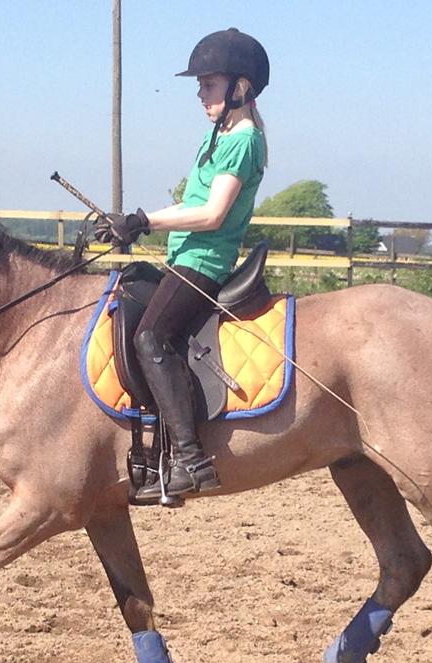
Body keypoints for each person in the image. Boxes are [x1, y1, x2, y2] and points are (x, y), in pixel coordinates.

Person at [95, 27, 269, 501]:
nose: (200, 94)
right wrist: (134, 223)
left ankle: (191, 460)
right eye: (200, 86)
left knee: (152, 337)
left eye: (208, 85)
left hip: (204, 262)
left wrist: (146, 220)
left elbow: (211, 215)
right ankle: (153, 455)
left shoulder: (243, 140)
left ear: (240, 87)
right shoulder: (218, 136)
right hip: (183, 257)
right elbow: (189, 204)